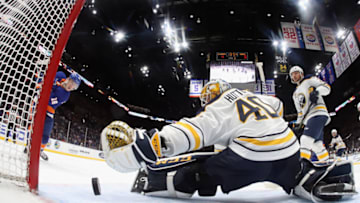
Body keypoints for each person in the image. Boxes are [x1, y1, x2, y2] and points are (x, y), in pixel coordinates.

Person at [101, 79, 355, 201]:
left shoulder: (218, 107)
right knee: (289, 167)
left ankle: (157, 180)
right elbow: (277, 105)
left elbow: (191, 131)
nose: (205, 101)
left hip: (249, 157)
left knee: (201, 170)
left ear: (215, 94)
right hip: (288, 150)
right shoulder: (255, 97)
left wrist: (149, 144)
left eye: (206, 97)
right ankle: (306, 178)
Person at [289, 66, 331, 163]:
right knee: (317, 145)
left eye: (296, 73)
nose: (294, 75)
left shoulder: (309, 79)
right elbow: (300, 112)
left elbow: (326, 88)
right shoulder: (295, 94)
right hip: (309, 118)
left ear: (301, 73)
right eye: (292, 74)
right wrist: (298, 125)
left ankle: (303, 165)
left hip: (318, 113)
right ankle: (326, 162)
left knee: (305, 140)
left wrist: (317, 92)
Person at [36, 71, 81, 160]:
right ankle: (28, 145)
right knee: (34, 128)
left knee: (45, 137)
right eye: (72, 83)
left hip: (48, 112)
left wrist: (53, 86)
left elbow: (49, 99)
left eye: (74, 87)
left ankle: (40, 150)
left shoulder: (65, 95)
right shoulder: (60, 75)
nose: (72, 87)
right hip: (39, 105)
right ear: (68, 79)